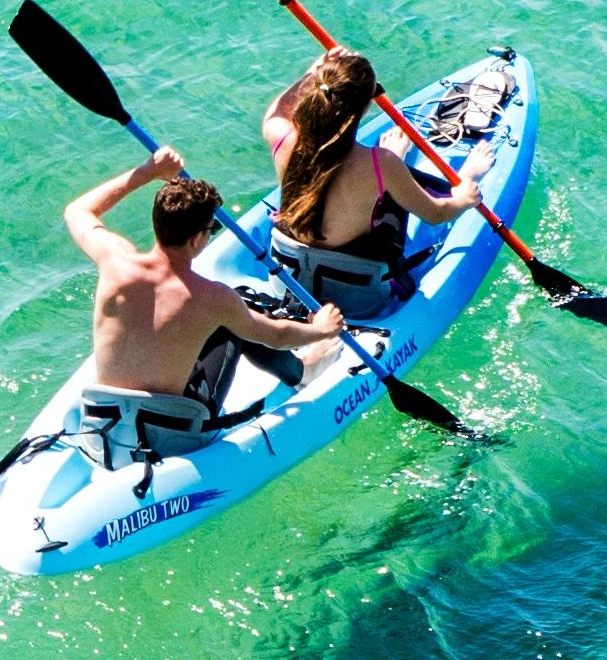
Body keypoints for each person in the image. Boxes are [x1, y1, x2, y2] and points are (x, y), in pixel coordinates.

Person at [62, 146, 348, 453]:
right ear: (197, 238)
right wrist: (322, 329)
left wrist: (148, 172)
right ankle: (303, 372)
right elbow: (275, 336)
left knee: (215, 322)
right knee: (236, 321)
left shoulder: (114, 261)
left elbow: (77, 211)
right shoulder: (212, 299)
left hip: (103, 426)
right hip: (169, 435)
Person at [253, 47, 476, 311]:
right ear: (367, 104)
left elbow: (277, 112)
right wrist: (465, 194)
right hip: (355, 299)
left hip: (287, 282)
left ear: (317, 91)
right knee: (390, 194)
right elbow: (435, 214)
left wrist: (312, 74)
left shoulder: (282, 138)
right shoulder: (380, 163)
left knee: (383, 181)